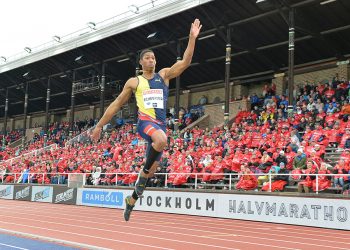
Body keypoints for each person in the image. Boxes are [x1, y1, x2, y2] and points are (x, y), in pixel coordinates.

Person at [91, 19, 202, 221]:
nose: (151, 60)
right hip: (145, 124)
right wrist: (99, 125)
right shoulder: (135, 82)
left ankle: (132, 200)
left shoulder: (164, 75)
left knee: (151, 171)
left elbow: (185, 61)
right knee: (161, 141)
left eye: (153, 58)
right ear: (141, 62)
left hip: (160, 126)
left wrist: (192, 38)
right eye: (147, 58)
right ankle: (142, 176)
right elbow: (116, 104)